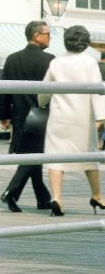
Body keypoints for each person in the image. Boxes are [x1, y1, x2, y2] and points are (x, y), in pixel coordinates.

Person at [38, 25, 105, 216]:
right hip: (83, 117)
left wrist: (42, 102)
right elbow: (97, 91)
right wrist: (101, 117)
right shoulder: (89, 62)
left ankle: (57, 198)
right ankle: (97, 195)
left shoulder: (56, 62)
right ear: (86, 42)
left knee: (56, 158)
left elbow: (44, 91)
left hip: (59, 116)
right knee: (89, 157)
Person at [0, 20, 54, 213]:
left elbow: (3, 90)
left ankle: (43, 198)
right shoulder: (50, 60)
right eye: (48, 34)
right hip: (42, 114)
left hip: (20, 115)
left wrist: (3, 115)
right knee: (33, 155)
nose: (50, 38)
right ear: (37, 36)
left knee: (32, 154)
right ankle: (11, 192)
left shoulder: (13, 59)